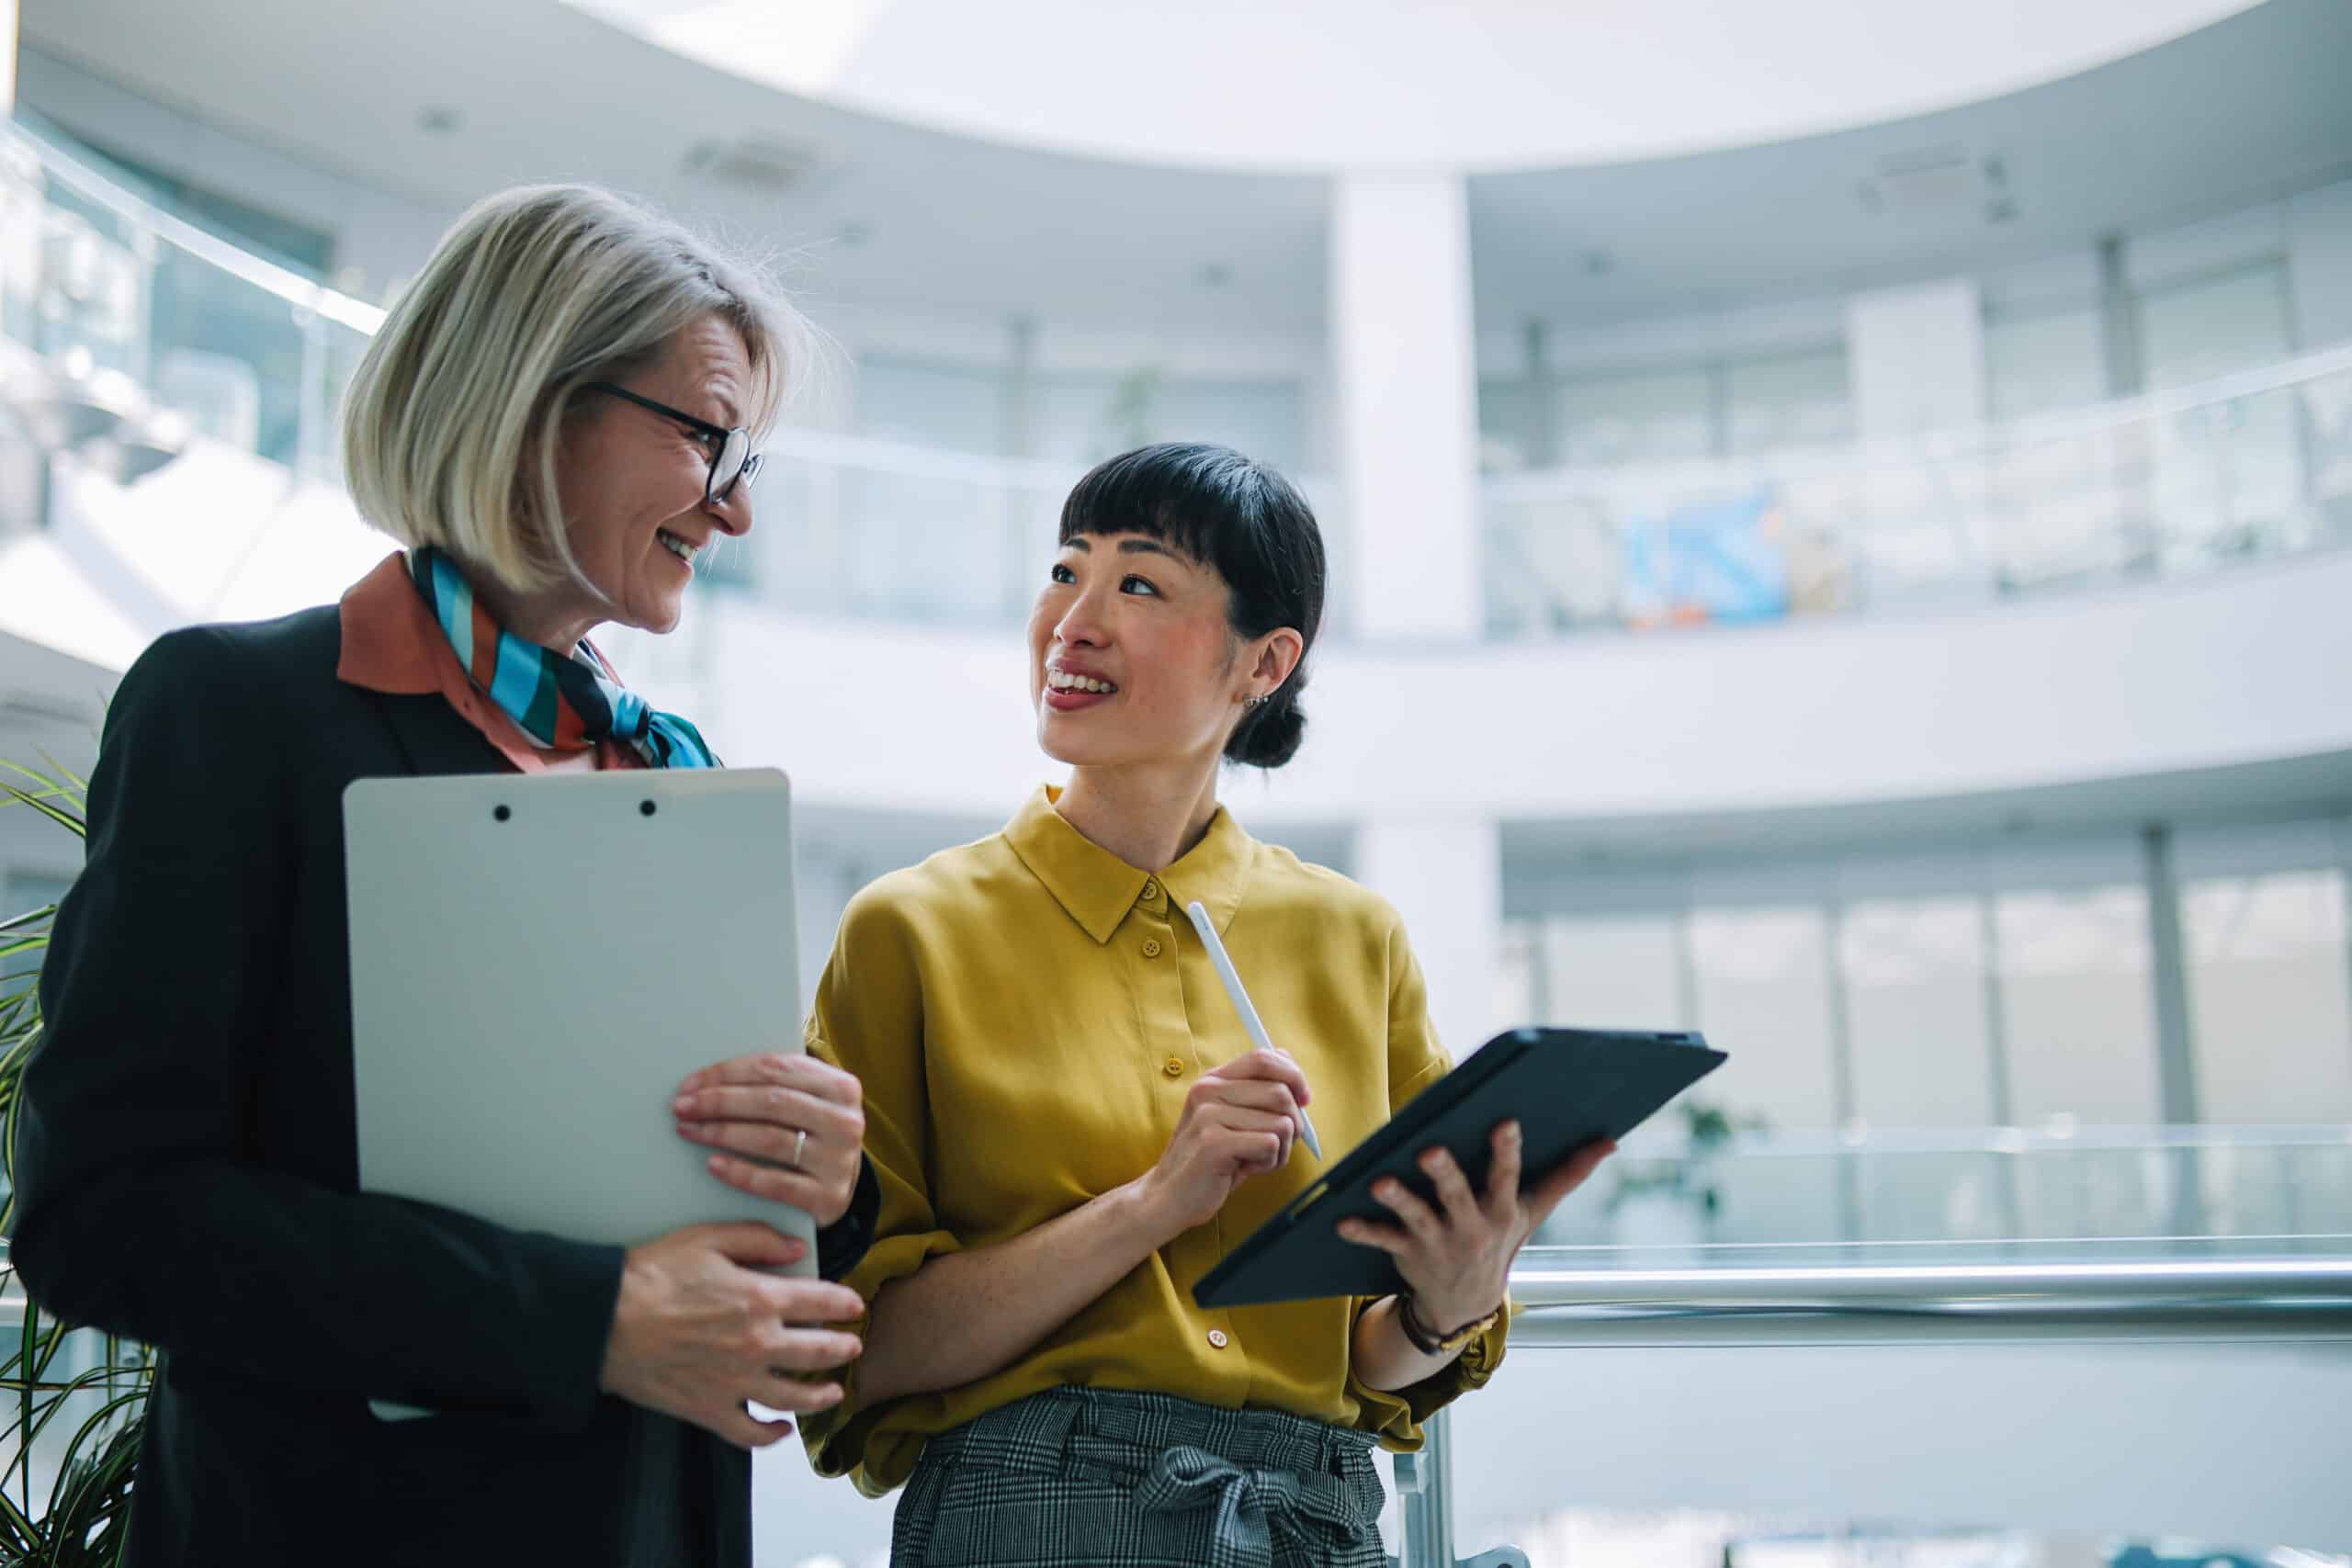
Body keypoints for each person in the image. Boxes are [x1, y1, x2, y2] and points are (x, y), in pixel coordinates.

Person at [11, 184, 877, 1567]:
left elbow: (719, 1219)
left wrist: (829, 1172)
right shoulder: (240, 712)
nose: (733, 515)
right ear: (534, 402)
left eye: (746, 461)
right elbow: (105, 1213)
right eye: (708, 439)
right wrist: (586, 1316)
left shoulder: (675, 765)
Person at [787, 442, 1616, 1565]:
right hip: (1032, 1516)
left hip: (1319, 1518)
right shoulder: (910, 931)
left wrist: (1444, 1308)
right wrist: (1155, 1203)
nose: (1072, 621)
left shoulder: (1354, 939)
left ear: (1263, 662)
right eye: (1064, 570)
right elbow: (857, 1351)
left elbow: (1368, 1363)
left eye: (1137, 583)